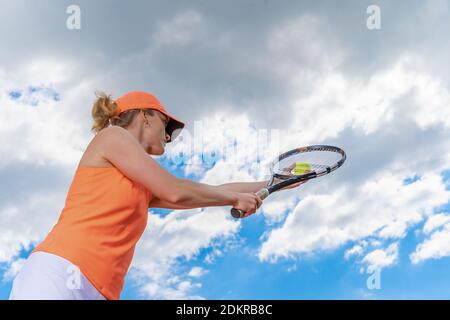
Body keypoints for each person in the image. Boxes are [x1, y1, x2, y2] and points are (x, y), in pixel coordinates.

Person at [9, 90, 266, 300]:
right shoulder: (112, 136)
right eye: (165, 124)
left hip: (100, 291)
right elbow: (176, 191)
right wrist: (234, 199)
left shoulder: (141, 185)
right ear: (145, 115)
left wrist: (272, 182)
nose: (167, 135)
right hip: (60, 272)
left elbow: (209, 191)